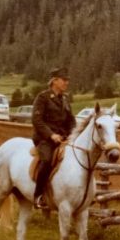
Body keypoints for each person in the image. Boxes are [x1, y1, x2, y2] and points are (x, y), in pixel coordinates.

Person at [31, 67, 76, 208]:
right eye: (64, 80)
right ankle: (38, 196)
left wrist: (73, 135)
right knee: (46, 160)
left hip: (63, 138)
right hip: (45, 139)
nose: (66, 83)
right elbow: (37, 120)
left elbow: (71, 120)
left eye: (67, 80)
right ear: (54, 81)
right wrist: (51, 135)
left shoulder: (65, 99)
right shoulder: (43, 97)